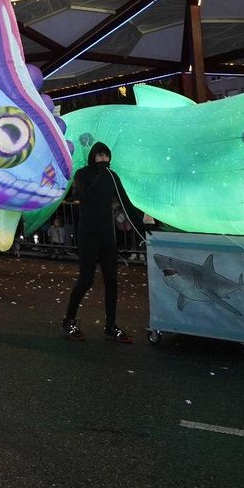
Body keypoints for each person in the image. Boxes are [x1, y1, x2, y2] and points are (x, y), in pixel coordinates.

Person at [61, 141, 135, 343]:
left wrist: (143, 227)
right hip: (88, 234)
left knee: (112, 281)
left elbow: (125, 202)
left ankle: (110, 325)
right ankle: (69, 320)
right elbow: (85, 195)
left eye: (106, 156)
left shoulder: (112, 176)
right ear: (93, 156)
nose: (103, 159)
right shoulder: (82, 174)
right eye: (99, 155)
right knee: (86, 279)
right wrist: (102, 174)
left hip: (107, 235)